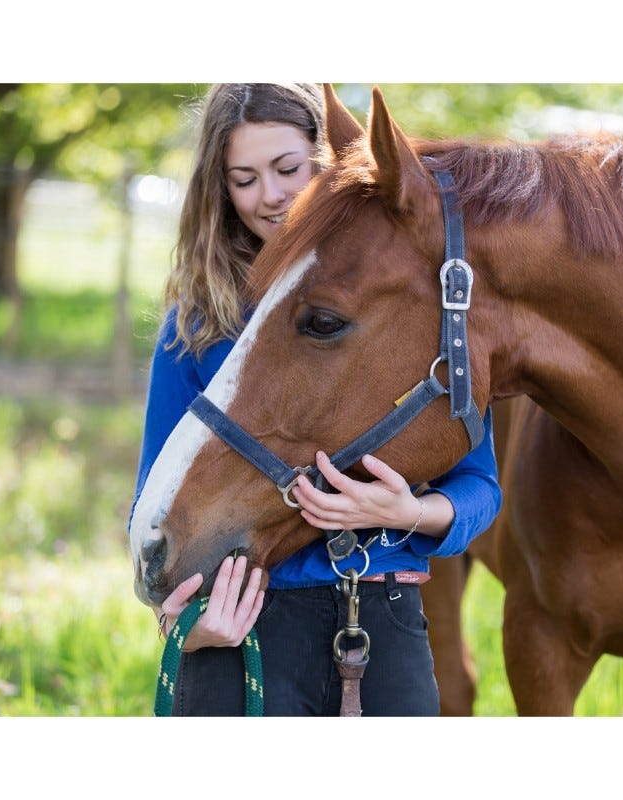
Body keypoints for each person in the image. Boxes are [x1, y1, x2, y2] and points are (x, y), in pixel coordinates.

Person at [130, 83, 501, 716]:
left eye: (287, 169)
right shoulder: (198, 325)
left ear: (330, 165)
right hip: (250, 626)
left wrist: (410, 511)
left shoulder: (403, 312)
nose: (270, 195)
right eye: (243, 179)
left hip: (386, 618)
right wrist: (190, 629)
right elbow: (157, 510)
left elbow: (480, 486)